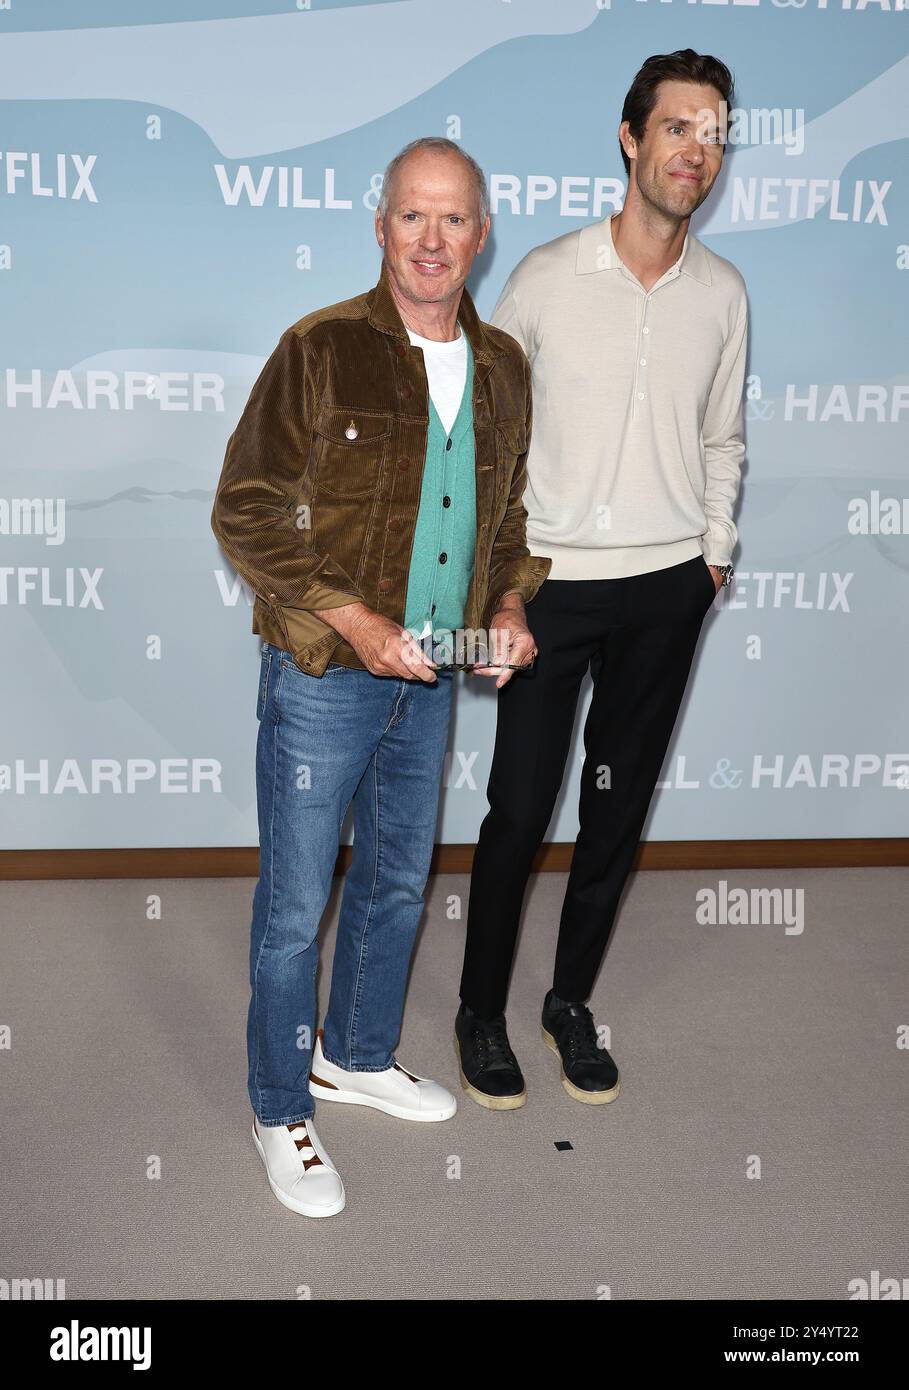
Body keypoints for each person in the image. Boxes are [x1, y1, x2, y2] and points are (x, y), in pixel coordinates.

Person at [211, 137, 549, 1216]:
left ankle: (355, 1054)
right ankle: (279, 1106)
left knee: (400, 878)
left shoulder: (502, 370)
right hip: (325, 671)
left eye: (454, 220)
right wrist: (355, 621)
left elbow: (507, 528)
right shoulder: (318, 351)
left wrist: (503, 609)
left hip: (434, 680)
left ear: (482, 235)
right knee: (295, 905)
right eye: (414, 216)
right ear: (380, 226)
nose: (433, 240)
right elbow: (246, 507)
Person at [456, 50, 749, 1109]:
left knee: (615, 808)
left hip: (667, 590)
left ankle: (568, 1000)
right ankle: (481, 1008)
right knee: (521, 808)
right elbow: (487, 441)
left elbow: (724, 437)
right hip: (552, 591)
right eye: (678, 128)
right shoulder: (544, 275)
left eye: (714, 132)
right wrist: (497, 587)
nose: (697, 150)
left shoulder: (723, 294)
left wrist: (712, 557)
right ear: (631, 140)